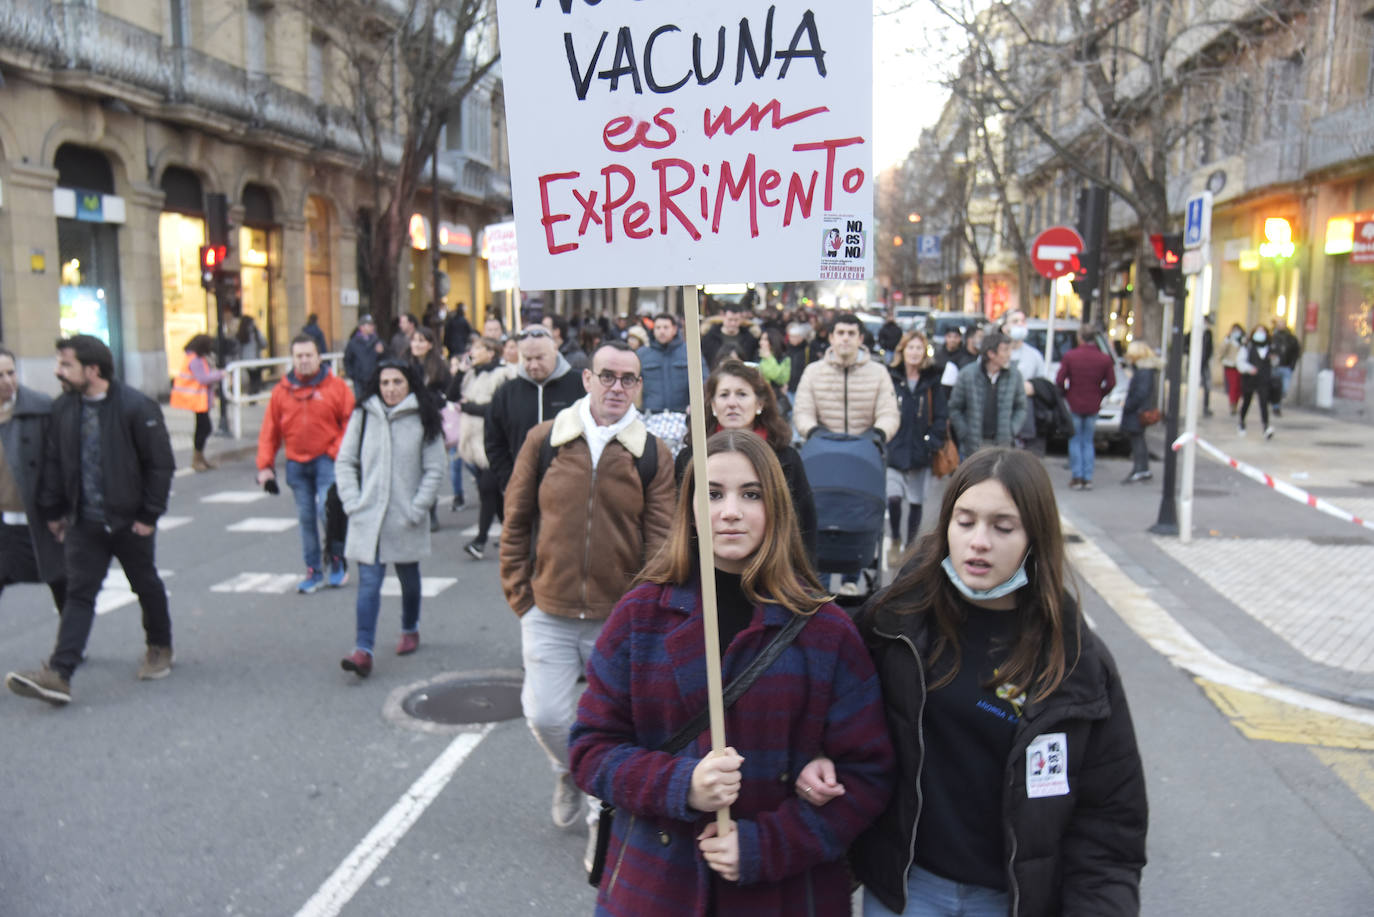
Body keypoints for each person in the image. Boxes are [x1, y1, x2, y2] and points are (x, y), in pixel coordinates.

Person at [798, 447, 1148, 916]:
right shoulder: (893, 622)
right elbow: (829, 704)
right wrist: (817, 752)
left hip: (1010, 902)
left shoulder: (1079, 664)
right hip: (905, 893)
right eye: (965, 522)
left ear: (1034, 538)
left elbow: (1110, 825)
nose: (979, 541)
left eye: (1003, 527)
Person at [570, 430, 895, 912]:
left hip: (784, 892)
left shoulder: (827, 630)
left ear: (777, 507)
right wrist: (681, 785)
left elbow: (868, 773)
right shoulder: (640, 615)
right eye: (714, 493)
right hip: (658, 887)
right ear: (691, 507)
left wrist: (770, 844)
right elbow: (591, 748)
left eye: (751, 494)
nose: (730, 512)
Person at [499, 340, 676, 867]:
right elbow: (516, 523)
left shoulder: (651, 453)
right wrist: (520, 596)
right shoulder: (546, 441)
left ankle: (604, 817)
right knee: (545, 713)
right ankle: (570, 769)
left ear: (639, 386)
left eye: (629, 379)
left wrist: (645, 614)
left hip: (616, 622)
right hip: (547, 611)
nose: (617, 387)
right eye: (608, 376)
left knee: (616, 729)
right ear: (586, 380)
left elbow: (660, 542)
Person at [5, 336, 176, 706]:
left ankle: (159, 647)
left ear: (92, 370)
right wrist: (52, 511)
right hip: (85, 522)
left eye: (66, 365)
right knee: (79, 595)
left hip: (130, 522)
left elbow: (160, 465)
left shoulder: (136, 406)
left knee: (144, 583)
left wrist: (149, 515)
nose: (57, 371)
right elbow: (53, 462)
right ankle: (59, 674)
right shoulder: (64, 408)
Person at [333, 361, 446, 677]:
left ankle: (410, 627)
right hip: (367, 515)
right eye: (385, 383)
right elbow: (345, 461)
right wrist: (352, 502)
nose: (391, 388)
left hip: (404, 517)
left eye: (397, 381)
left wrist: (417, 508)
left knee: (408, 578)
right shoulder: (364, 415)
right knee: (369, 582)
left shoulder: (423, 417)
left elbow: (435, 468)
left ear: (409, 383)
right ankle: (363, 650)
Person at [674, 360, 818, 562]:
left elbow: (804, 524)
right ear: (714, 405)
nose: (732, 403)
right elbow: (679, 522)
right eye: (724, 395)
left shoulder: (785, 459)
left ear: (760, 403)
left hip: (773, 570)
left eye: (742, 394)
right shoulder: (691, 459)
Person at [256, 334, 356, 593]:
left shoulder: (337, 388)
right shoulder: (281, 392)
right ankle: (313, 569)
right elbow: (269, 431)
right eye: (298, 356)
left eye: (308, 355)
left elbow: (351, 423)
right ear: (292, 359)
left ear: (318, 357)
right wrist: (265, 467)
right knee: (306, 519)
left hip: (327, 461)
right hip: (296, 464)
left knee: (328, 511)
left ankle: (336, 559)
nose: (303, 361)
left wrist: (335, 451)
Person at [0, 344, 66, 614]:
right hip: (2, 518)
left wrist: (57, 510)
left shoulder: (40, 409)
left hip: (37, 515)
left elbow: (56, 465)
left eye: (11, 373)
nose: (7, 382)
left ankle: (70, 645)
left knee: (60, 579)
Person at [484, 325, 585, 496]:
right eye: (527, 358)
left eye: (540, 357)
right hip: (522, 492)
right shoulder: (507, 393)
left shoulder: (580, 385)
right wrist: (510, 481)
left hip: (572, 492)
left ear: (555, 350)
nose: (533, 365)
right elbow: (494, 442)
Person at [886, 331, 947, 567]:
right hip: (895, 447)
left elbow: (942, 415)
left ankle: (910, 547)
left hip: (921, 450)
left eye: (918, 348)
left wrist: (932, 440)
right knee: (893, 497)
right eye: (909, 348)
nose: (914, 353)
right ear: (902, 351)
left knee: (915, 501)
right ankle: (895, 538)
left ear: (924, 353)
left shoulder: (932, 381)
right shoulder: (892, 377)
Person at [793, 312, 901, 443]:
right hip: (822, 447)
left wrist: (878, 434)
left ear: (860, 339)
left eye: (851, 333)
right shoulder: (812, 372)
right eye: (841, 333)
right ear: (831, 337)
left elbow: (888, 413)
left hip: (866, 448)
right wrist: (813, 432)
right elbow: (802, 412)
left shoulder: (878, 372)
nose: (845, 338)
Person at [454, 337, 516, 559]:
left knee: (487, 489)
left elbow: (497, 409)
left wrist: (469, 407)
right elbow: (452, 396)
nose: (474, 351)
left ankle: (480, 541)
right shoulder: (472, 373)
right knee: (494, 496)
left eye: (479, 348)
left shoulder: (503, 374)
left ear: (491, 352)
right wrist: (461, 371)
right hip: (473, 442)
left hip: (493, 441)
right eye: (474, 348)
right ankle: (513, 534)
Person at [948, 330, 1027, 463]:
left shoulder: (1014, 375)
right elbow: (954, 408)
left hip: (1002, 444)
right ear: (991, 353)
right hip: (973, 445)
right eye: (1005, 350)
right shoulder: (968, 374)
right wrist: (965, 432)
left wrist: (1011, 429)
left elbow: (1021, 407)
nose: (1009, 355)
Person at [1055, 325, 1116, 490]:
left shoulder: (1071, 356)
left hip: (1075, 401)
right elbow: (1111, 383)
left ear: (1080, 338)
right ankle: (1087, 477)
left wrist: (1066, 393)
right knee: (1088, 441)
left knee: (1075, 440)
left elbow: (1060, 380)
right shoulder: (1103, 358)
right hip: (1093, 403)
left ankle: (1077, 475)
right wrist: (1100, 393)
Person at [638, 313, 696, 456]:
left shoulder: (689, 352)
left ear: (674, 329)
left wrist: (695, 405)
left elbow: (702, 381)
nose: (661, 331)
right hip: (651, 416)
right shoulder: (642, 354)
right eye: (658, 327)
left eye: (665, 327)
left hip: (682, 416)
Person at [168, 334, 226, 472]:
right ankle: (197, 458)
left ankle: (200, 458)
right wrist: (219, 374)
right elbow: (203, 378)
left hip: (199, 398)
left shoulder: (196, 358)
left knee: (202, 427)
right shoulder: (195, 360)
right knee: (204, 428)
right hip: (197, 399)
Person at [1120, 341, 1160, 484]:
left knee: (1137, 440)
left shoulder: (1144, 371)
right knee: (1138, 439)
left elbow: (1141, 393)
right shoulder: (1143, 370)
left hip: (1138, 410)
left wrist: (1129, 404)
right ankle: (1142, 468)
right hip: (1139, 409)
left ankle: (1140, 469)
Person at [1237, 324, 1276, 439]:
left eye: (1263, 331)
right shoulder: (1247, 346)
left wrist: (1274, 360)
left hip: (1263, 379)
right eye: (1258, 331)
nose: (1260, 333)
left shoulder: (1269, 347)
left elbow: (1275, 362)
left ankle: (1266, 427)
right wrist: (1249, 369)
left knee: (1264, 403)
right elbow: (1240, 361)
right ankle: (1242, 422)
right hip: (1250, 379)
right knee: (1246, 402)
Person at [701, 301, 759, 368]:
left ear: (741, 319)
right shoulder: (709, 338)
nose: (733, 323)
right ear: (722, 317)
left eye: (736, 320)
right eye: (730, 320)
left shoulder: (750, 339)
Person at [343, 314, 386, 399]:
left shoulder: (377, 341)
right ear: (361, 327)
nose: (372, 327)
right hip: (359, 380)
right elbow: (347, 360)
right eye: (369, 325)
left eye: (372, 325)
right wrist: (352, 374)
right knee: (360, 401)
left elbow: (384, 359)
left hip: (374, 379)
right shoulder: (353, 343)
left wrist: (381, 353)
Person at [1271, 321, 1301, 417]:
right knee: (1275, 388)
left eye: (1282, 325)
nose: (1280, 327)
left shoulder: (1291, 339)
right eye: (1279, 325)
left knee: (1284, 389)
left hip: (1286, 367)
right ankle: (1276, 406)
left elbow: (1296, 352)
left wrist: (1292, 365)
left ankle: (1277, 402)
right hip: (1275, 367)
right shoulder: (1272, 338)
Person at [1218, 322, 1245, 415]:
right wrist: (1227, 339)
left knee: (1239, 386)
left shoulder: (1243, 340)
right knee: (1233, 385)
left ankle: (1235, 403)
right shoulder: (1228, 340)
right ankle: (1232, 404)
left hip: (1241, 366)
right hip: (1230, 365)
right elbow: (1221, 350)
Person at [236, 314, 267, 394]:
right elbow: (264, 344)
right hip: (252, 361)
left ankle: (253, 396)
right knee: (254, 381)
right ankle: (253, 396)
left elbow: (264, 344)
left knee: (254, 380)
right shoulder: (248, 334)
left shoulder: (243, 334)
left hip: (250, 361)